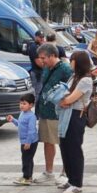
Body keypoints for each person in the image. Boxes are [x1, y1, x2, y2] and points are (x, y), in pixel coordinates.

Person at [56, 51, 94, 193]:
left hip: (76, 116)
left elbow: (69, 99)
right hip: (66, 114)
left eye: (72, 60)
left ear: (78, 62)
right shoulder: (74, 76)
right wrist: (63, 100)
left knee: (74, 149)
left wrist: (63, 100)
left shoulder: (85, 80)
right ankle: (70, 179)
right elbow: (64, 96)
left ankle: (77, 183)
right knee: (64, 146)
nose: (70, 62)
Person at [35, 43, 71, 180]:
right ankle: (48, 171)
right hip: (45, 111)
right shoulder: (46, 69)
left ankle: (66, 172)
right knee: (47, 141)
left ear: (53, 56)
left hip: (59, 112)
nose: (41, 61)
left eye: (43, 58)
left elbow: (72, 88)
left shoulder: (65, 69)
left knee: (64, 143)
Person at [6, 93, 39, 186]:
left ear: (31, 105)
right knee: (28, 159)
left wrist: (28, 142)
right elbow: (19, 124)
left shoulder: (31, 116)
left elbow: (31, 131)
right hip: (25, 141)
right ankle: (28, 176)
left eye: (24, 103)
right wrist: (13, 120)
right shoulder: (22, 114)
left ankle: (26, 177)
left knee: (26, 160)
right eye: (20, 103)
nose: (21, 105)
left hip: (30, 142)